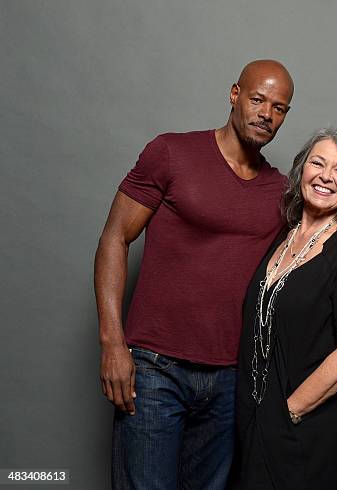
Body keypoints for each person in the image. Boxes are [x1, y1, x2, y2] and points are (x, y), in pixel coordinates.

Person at [94, 59, 294, 490]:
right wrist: (112, 342)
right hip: (154, 369)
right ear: (234, 94)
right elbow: (114, 238)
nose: (267, 114)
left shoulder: (280, 191)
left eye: (279, 108)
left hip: (229, 379)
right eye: (258, 99)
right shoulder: (171, 153)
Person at [236, 128, 337, 489]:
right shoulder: (283, 238)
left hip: (309, 431)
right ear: (301, 170)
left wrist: (291, 410)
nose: (326, 176)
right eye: (318, 162)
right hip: (259, 424)